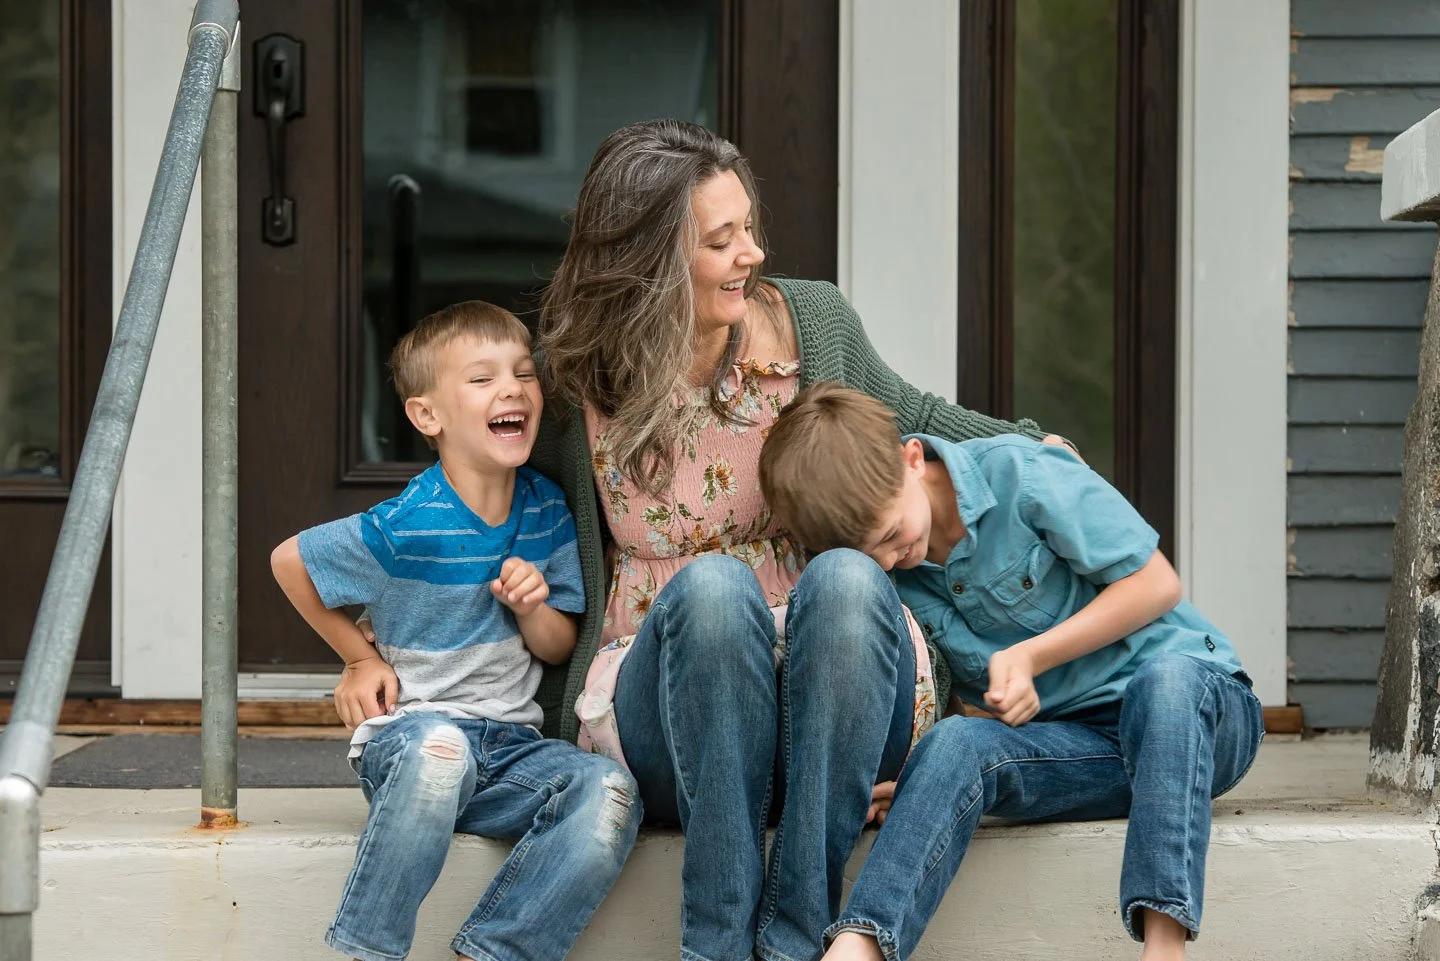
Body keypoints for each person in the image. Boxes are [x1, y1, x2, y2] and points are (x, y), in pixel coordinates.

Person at [517, 118, 1066, 961]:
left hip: (835, 697)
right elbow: (493, 495)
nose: (753, 254)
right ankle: (717, 946)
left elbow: (916, 425)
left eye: (750, 228)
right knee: (711, 591)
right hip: (671, 704)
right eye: (722, 239)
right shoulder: (577, 379)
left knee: (847, 576)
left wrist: (1036, 453)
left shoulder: (810, 323)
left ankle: (795, 936)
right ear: (650, 258)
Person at [756, 382, 1266, 961]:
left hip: (1199, 717)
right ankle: (860, 946)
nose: (891, 559)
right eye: (869, 553)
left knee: (1165, 682)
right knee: (954, 743)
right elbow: (950, 700)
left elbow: (1157, 583)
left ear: (912, 458)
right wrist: (928, 779)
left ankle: (1163, 948)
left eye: (892, 534)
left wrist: (1031, 656)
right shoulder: (898, 576)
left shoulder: (1023, 473)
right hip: (1089, 751)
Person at [270, 301, 640, 961]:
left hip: (510, 754)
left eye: (525, 373)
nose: (512, 388)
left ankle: (494, 950)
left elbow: (557, 646)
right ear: (427, 415)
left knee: (609, 790)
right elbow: (289, 562)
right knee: (440, 751)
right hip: (415, 744)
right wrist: (359, 661)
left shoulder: (547, 508)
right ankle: (367, 950)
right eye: (482, 377)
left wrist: (532, 606)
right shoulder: (408, 522)